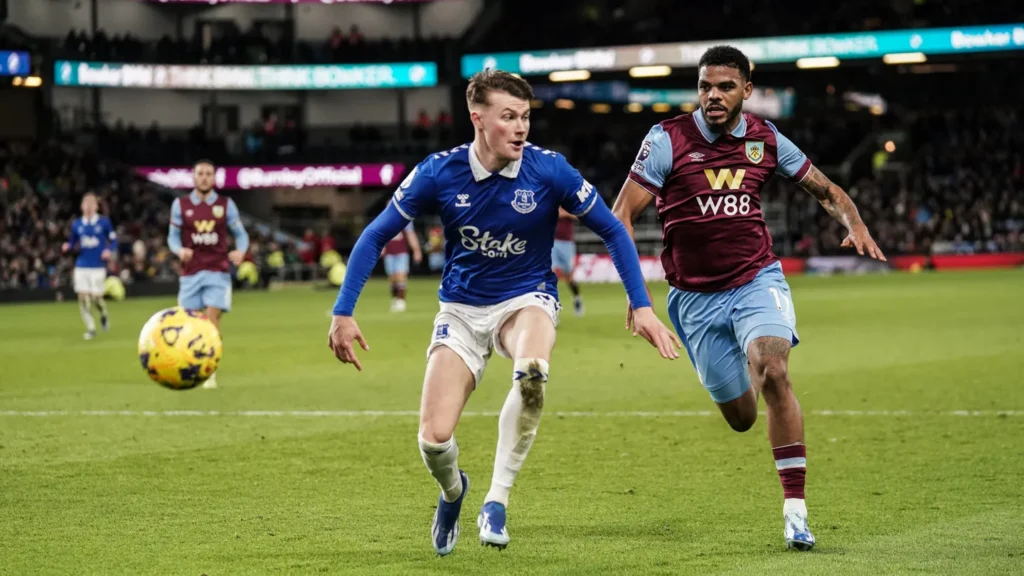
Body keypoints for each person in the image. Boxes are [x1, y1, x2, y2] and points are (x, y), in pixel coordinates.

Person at [328, 69, 680, 556]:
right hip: (462, 309)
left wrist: (642, 306)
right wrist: (343, 311)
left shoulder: (549, 170)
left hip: (526, 298)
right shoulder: (438, 172)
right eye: (508, 117)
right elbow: (374, 235)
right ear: (478, 118)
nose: (521, 128)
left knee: (532, 373)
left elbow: (614, 230)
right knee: (433, 440)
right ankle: (455, 493)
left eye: (526, 117)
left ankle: (497, 498)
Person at [612, 46, 887, 552]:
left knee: (775, 372)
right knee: (741, 418)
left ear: (746, 91)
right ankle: (735, 377)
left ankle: (796, 512)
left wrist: (856, 222)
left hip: (756, 280)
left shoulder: (766, 138)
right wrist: (637, 294)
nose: (713, 96)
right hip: (693, 300)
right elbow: (620, 215)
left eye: (724, 86)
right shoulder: (667, 139)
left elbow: (825, 190)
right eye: (704, 86)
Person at [167, 160, 249, 389]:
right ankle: (190, 365)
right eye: (200, 173)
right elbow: (172, 237)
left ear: (214, 178)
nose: (204, 177)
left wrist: (241, 251)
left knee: (212, 319)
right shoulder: (180, 205)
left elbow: (241, 234)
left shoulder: (225, 204)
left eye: (208, 174)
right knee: (189, 323)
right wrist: (178, 250)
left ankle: (209, 370)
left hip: (217, 270)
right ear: (194, 177)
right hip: (190, 273)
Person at [62, 192, 117, 340]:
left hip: (98, 266)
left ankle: (103, 313)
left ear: (96, 206)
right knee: (83, 297)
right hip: (82, 265)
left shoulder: (104, 223)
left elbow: (113, 241)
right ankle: (91, 328)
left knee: (96, 298)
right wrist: (68, 246)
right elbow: (73, 243)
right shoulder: (77, 224)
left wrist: (108, 250)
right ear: (81, 206)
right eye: (86, 204)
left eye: (91, 204)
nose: (88, 207)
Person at [381, 221, 423, 312]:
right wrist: (381, 247)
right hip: (389, 253)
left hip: (401, 252)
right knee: (392, 278)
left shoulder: (405, 220)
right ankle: (395, 299)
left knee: (401, 276)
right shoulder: (386, 220)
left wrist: (416, 250)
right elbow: (382, 235)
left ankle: (401, 300)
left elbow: (411, 235)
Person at [552, 208, 584, 316]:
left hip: (567, 243)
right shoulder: (551, 201)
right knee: (552, 273)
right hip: (552, 241)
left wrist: (565, 213)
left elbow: (579, 215)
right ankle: (552, 306)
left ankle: (577, 298)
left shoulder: (568, 202)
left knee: (569, 277)